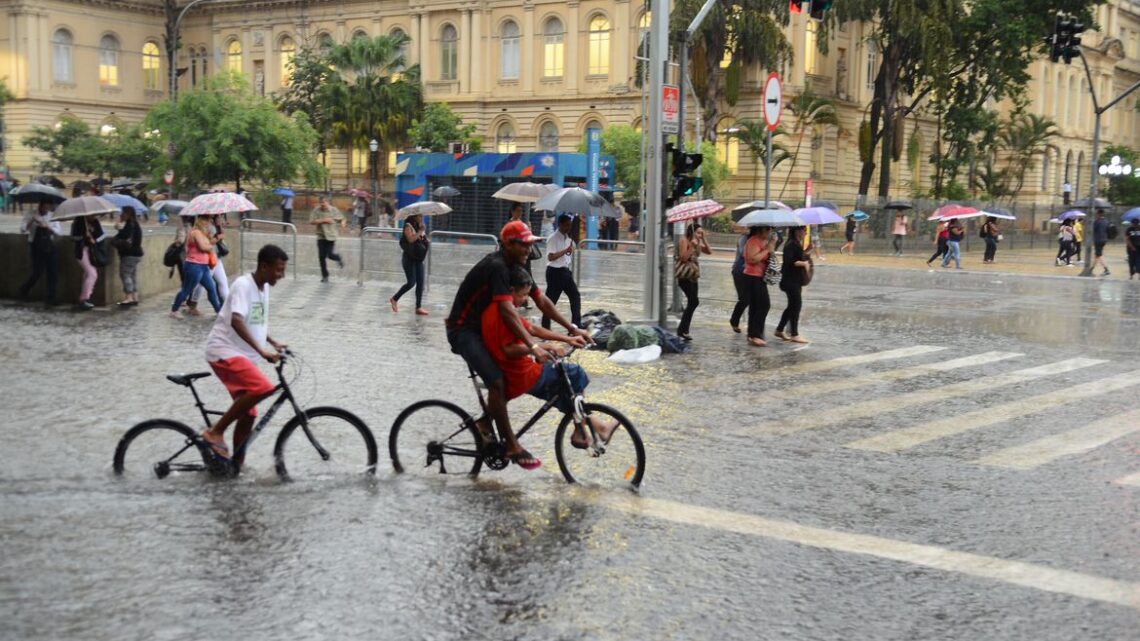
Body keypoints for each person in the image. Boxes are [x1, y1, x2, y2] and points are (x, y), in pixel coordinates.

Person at [445, 220, 589, 471]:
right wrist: (533, 347)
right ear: (507, 245)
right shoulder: (497, 267)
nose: (527, 250)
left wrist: (571, 328)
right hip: (464, 331)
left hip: (483, 327)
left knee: (507, 379)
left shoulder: (518, 267)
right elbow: (507, 310)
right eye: (522, 245)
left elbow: (541, 300)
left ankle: (485, 423)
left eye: (529, 245)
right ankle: (511, 445)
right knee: (498, 382)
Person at [482, 266, 617, 463]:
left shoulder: (504, 308)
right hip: (520, 374)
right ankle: (584, 430)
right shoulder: (502, 312)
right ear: (510, 291)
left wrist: (567, 337)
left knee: (564, 390)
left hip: (520, 368)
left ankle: (592, 428)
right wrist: (541, 347)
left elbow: (534, 329)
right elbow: (508, 349)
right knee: (573, 373)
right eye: (522, 295)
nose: (525, 300)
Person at [199, 245, 290, 463]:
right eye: (278, 270)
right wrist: (262, 351)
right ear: (264, 266)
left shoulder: (263, 287)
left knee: (249, 414)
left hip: (243, 355)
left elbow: (255, 321)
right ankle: (214, 432)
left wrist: (274, 343)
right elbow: (237, 320)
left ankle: (236, 465)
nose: (281, 275)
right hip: (224, 351)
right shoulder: (243, 285)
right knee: (263, 388)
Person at [170, 215, 222, 318]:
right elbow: (203, 247)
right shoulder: (196, 232)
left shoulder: (203, 234)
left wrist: (210, 242)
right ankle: (174, 311)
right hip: (194, 265)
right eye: (206, 220)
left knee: (211, 288)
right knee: (186, 290)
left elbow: (208, 244)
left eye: (209, 220)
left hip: (203, 266)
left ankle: (219, 311)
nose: (208, 222)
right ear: (200, 221)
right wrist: (210, 246)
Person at [541, 213, 583, 332]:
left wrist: (569, 250)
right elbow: (551, 257)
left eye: (569, 225)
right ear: (560, 224)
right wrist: (565, 250)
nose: (568, 228)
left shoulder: (567, 238)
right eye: (566, 225)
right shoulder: (553, 238)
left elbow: (568, 253)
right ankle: (545, 327)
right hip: (555, 273)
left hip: (565, 271)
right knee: (550, 302)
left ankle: (576, 324)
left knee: (575, 296)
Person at [18, 201, 61, 305]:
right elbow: (22, 229)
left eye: (48, 206)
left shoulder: (52, 216)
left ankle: (51, 297)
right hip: (36, 246)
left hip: (49, 245)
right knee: (37, 271)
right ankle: (24, 289)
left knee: (53, 272)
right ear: (40, 205)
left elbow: (58, 231)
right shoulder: (31, 214)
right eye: (44, 206)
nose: (46, 209)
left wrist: (47, 227)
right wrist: (32, 221)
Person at [674, 221, 711, 341]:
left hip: (693, 275)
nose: (700, 235)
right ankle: (683, 329)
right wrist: (692, 247)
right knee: (694, 301)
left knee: (693, 302)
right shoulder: (684, 241)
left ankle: (683, 330)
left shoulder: (698, 241)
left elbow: (709, 251)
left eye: (701, 233)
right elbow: (683, 258)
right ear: (692, 232)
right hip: (684, 276)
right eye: (698, 233)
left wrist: (703, 239)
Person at [775, 226, 812, 344]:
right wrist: (804, 263)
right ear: (796, 231)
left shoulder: (796, 243)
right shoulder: (791, 244)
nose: (805, 233)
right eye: (803, 230)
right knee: (796, 305)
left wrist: (807, 251)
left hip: (795, 280)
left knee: (792, 305)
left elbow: (798, 256)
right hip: (790, 280)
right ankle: (794, 334)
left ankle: (780, 329)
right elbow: (789, 261)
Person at [389, 212, 429, 315]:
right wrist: (420, 231)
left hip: (418, 258)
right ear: (414, 216)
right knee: (411, 282)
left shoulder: (418, 226)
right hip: (409, 259)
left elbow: (423, 240)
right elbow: (410, 239)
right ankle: (394, 299)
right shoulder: (408, 226)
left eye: (422, 216)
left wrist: (422, 232)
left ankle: (418, 307)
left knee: (420, 283)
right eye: (420, 216)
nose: (421, 217)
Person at [743, 226, 775, 347]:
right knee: (764, 305)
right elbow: (753, 259)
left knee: (756, 306)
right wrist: (767, 250)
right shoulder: (753, 241)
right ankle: (755, 334)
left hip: (760, 276)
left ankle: (754, 334)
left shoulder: (763, 241)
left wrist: (771, 246)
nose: (769, 232)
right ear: (760, 230)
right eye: (767, 229)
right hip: (752, 276)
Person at [189, 214, 231, 308]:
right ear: (214, 218)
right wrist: (218, 237)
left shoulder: (216, 227)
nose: (221, 219)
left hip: (217, 258)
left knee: (223, 281)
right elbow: (208, 242)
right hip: (210, 258)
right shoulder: (209, 227)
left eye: (222, 217)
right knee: (203, 284)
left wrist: (221, 230)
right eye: (219, 217)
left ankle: (228, 306)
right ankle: (192, 303)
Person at [70, 214, 106, 311]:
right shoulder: (78, 222)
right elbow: (73, 237)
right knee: (92, 273)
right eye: (92, 215)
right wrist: (83, 236)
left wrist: (94, 239)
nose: (94, 217)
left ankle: (84, 298)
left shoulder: (95, 222)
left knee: (87, 274)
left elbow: (102, 236)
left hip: (91, 251)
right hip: (81, 251)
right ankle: (85, 298)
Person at [112, 206, 144, 306]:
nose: (121, 215)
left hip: (129, 254)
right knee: (132, 276)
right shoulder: (134, 224)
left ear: (128, 214)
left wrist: (118, 228)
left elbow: (124, 238)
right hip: (136, 254)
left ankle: (128, 297)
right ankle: (135, 297)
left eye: (123, 213)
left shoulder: (130, 225)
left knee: (125, 274)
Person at [310, 195, 345, 282]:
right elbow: (312, 221)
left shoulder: (333, 210)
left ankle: (338, 258)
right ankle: (325, 276)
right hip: (321, 236)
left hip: (331, 236)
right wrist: (323, 220)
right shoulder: (316, 210)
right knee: (321, 257)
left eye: (324, 203)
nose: (322, 205)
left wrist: (343, 223)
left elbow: (342, 218)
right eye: (321, 203)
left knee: (330, 254)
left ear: (327, 202)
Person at [729, 228, 750, 333]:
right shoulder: (744, 238)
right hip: (739, 270)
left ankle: (735, 320)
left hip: (749, 271)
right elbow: (743, 253)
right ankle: (734, 320)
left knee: (749, 298)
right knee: (744, 298)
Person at [1091, 210, 1111, 276]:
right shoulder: (1106, 221)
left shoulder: (1097, 222)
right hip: (1104, 240)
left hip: (1098, 240)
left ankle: (1106, 270)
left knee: (1099, 255)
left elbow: (1092, 230)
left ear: (1099, 214)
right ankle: (1091, 269)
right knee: (1097, 255)